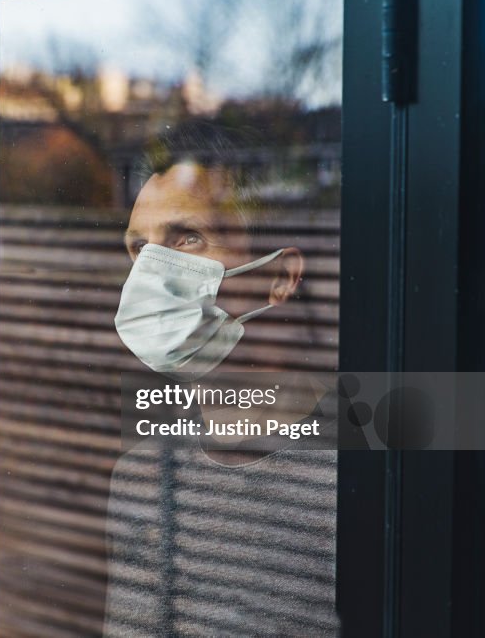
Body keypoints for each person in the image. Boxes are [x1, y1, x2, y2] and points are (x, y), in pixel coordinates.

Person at [103, 126, 340, 636]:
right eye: (138, 249)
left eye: (187, 238)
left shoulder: (358, 481)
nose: (151, 274)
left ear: (280, 277)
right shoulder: (142, 476)